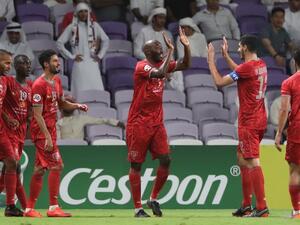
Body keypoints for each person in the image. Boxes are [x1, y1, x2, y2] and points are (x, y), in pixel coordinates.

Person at [126, 27, 191, 217]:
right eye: (155, 45)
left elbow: (186, 64)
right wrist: (171, 50)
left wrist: (185, 46)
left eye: (160, 45)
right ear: (147, 51)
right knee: (136, 165)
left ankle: (153, 197)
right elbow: (160, 73)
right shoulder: (142, 66)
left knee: (166, 159)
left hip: (156, 123)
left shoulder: (162, 62)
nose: (159, 46)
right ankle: (137, 208)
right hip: (138, 124)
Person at [207, 35, 269, 217]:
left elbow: (219, 82)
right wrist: (225, 56)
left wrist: (211, 61)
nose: (239, 49)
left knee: (252, 161)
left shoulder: (246, 68)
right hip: (259, 119)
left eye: (240, 47)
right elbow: (241, 71)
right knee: (241, 158)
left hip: (249, 121)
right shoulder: (261, 64)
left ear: (247, 48)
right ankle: (246, 204)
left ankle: (262, 207)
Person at [24, 49, 88, 217]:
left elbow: (61, 103)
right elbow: (36, 115)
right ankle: (53, 207)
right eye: (54, 61)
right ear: (46, 64)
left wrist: (76, 106)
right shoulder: (38, 85)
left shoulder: (57, 81)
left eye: (58, 61)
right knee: (57, 165)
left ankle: (29, 209)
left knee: (39, 169)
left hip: (50, 130)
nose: (58, 63)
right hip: (41, 132)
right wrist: (46, 137)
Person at [0, 55, 32, 213]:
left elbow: (31, 110)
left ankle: (26, 208)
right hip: (6, 131)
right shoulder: (7, 82)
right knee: (13, 165)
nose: (28, 66)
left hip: (19, 133)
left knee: (11, 168)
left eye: (29, 63)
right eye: (24, 63)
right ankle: (12, 206)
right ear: (17, 66)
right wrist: (7, 117)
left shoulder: (31, 86)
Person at [57, 2, 109, 97]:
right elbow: (59, 43)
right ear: (76, 13)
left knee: (96, 93)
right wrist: (71, 56)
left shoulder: (95, 26)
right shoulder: (72, 27)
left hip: (93, 63)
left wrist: (100, 55)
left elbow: (106, 40)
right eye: (81, 11)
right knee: (80, 94)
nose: (84, 14)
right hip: (79, 65)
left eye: (86, 11)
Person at [275, 48, 300, 219]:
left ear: (295, 62)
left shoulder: (289, 82)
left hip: (297, 130)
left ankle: (297, 211)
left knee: (295, 172)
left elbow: (284, 109)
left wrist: (278, 133)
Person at [134, 7, 184, 92]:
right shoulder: (143, 31)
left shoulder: (168, 34)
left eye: (164, 18)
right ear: (153, 18)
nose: (163, 20)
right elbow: (136, 51)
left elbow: (171, 54)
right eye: (160, 17)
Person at [0, 49, 21, 216]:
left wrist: (6, 118)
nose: (9, 66)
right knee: (11, 163)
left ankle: (10, 206)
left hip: (1, 129)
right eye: (6, 62)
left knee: (11, 162)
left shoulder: (5, 81)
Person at [57, 96, 125, 139]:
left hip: (79, 148)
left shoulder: (81, 118)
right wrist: (117, 123)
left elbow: (102, 120)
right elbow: (102, 120)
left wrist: (117, 123)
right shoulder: (59, 123)